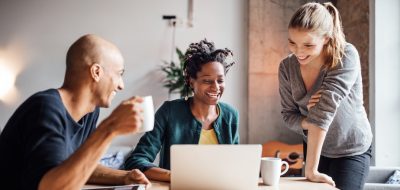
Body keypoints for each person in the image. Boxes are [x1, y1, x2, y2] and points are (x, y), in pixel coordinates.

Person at [0, 34, 151, 190]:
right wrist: (110, 128)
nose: (121, 86)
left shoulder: (91, 112)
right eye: (120, 74)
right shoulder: (45, 108)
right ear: (96, 72)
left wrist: (125, 177)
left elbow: (79, 166)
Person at [278, 2, 373, 190]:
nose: (298, 51)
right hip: (315, 148)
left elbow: (324, 111)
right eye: (292, 43)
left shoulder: (345, 55)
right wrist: (307, 122)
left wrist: (310, 170)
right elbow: (288, 115)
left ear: (326, 39)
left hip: (351, 147)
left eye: (308, 44)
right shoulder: (286, 67)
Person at [123, 39, 239, 182]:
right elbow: (137, 160)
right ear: (191, 81)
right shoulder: (169, 111)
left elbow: (235, 164)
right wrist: (176, 177)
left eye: (220, 81)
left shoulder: (231, 115)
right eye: (207, 81)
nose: (216, 87)